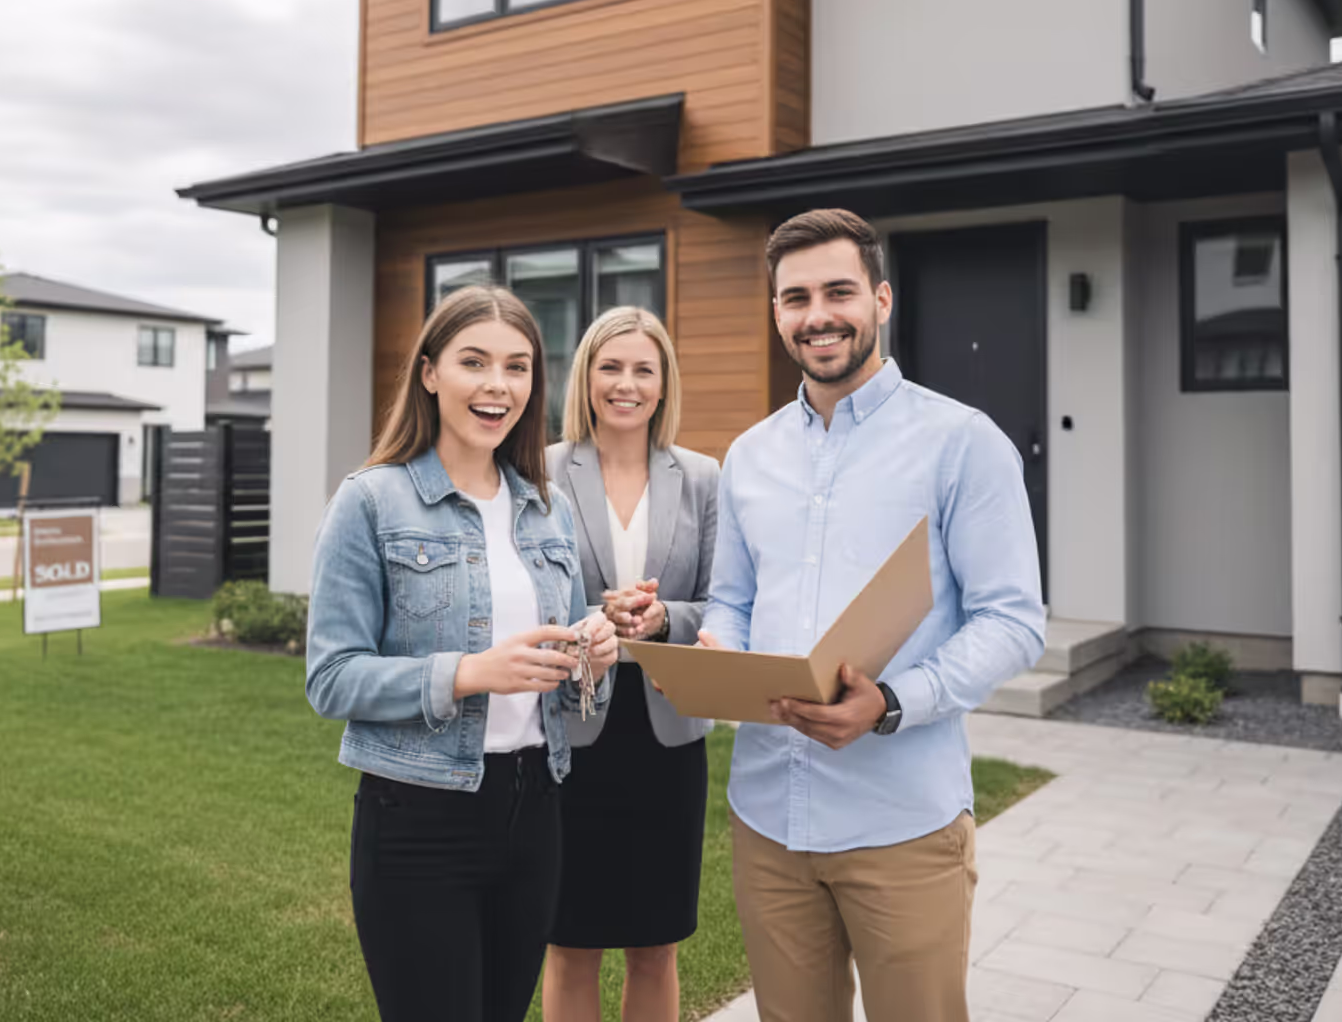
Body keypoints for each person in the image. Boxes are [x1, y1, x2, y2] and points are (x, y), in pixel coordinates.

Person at [698, 208, 1046, 1022]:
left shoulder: (963, 443)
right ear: (776, 313)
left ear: (882, 300)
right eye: (795, 298)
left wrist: (892, 703)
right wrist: (722, 649)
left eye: (838, 291)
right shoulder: (749, 456)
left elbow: (1014, 619)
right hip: (768, 821)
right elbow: (733, 600)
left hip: (903, 825)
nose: (817, 315)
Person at [305, 285, 620, 1022]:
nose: (497, 386)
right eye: (473, 362)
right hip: (418, 818)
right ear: (429, 373)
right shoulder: (372, 502)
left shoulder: (549, 509)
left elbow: (574, 688)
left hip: (536, 807)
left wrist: (592, 659)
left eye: (516, 367)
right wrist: (471, 673)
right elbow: (330, 678)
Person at [543, 307, 719, 1022]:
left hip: (667, 738)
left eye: (643, 369)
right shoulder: (541, 469)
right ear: (586, 376)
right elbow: (521, 591)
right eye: (610, 367)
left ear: (664, 382)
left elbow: (726, 604)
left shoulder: (704, 477)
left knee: (656, 943)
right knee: (568, 940)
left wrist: (666, 618)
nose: (626, 384)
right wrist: (590, 620)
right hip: (567, 736)